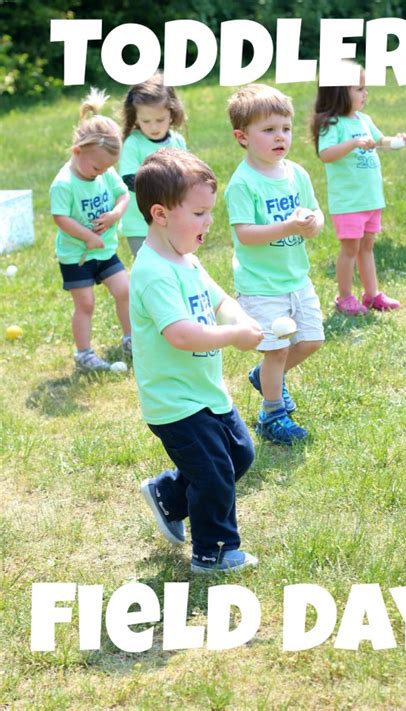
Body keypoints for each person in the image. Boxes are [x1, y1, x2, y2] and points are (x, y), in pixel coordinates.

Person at [130, 148, 263, 574]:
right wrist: (234, 337)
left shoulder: (185, 259)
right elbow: (182, 334)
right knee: (212, 474)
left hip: (205, 392)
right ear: (161, 214)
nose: (209, 222)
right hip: (175, 401)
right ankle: (215, 552)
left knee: (239, 456)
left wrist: (241, 320)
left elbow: (219, 298)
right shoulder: (153, 272)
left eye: (210, 212)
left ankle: (169, 495)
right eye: (200, 213)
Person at [225, 84, 325, 446]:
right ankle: (272, 414)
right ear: (243, 137)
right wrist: (288, 226)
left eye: (285, 128)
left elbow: (315, 213)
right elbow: (245, 234)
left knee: (312, 340)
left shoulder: (297, 173)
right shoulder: (242, 183)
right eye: (268, 130)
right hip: (260, 283)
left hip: (296, 277)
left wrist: (314, 223)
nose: (280, 136)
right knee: (277, 349)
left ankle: (265, 375)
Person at [311, 63, 406, 316]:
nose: (365, 93)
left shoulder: (364, 120)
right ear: (339, 92)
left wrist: (396, 142)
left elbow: (380, 141)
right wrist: (354, 142)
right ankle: (344, 297)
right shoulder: (332, 124)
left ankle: (372, 294)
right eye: (360, 88)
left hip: (370, 199)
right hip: (349, 202)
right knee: (350, 249)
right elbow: (325, 154)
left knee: (367, 247)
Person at [50, 88, 131, 372]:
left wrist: (115, 214)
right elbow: (61, 219)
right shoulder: (64, 184)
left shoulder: (105, 172)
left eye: (108, 167)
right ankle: (84, 354)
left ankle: (131, 339)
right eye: (97, 166)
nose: (102, 172)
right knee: (85, 304)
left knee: (126, 291)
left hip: (105, 250)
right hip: (77, 255)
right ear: (77, 151)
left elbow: (124, 195)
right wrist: (88, 236)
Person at [120, 72, 187, 257]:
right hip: (139, 224)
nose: (154, 127)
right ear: (135, 117)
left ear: (172, 114)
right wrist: (162, 190)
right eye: (146, 121)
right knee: (148, 266)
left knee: (174, 262)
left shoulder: (178, 141)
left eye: (160, 120)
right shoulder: (133, 143)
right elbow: (129, 179)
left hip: (172, 220)